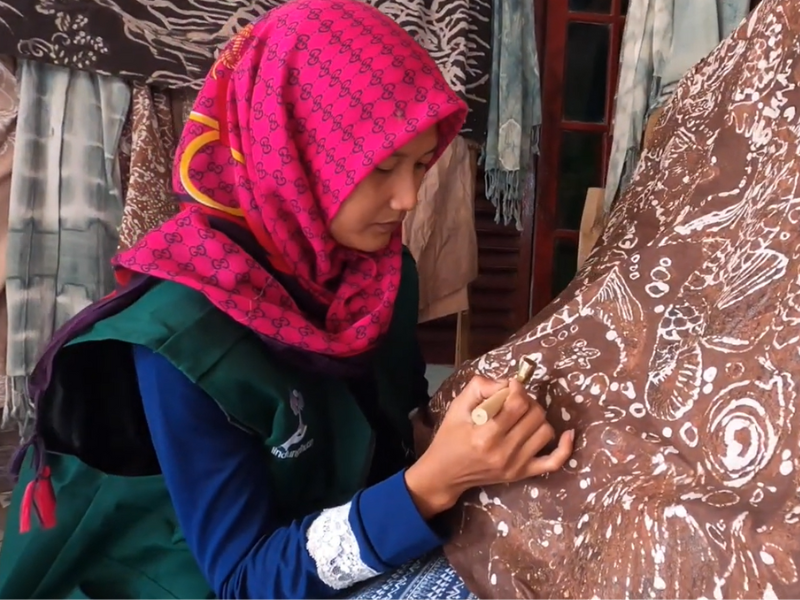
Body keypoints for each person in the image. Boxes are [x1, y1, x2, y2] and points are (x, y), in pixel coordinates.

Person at [0, 1, 574, 598]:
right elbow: (243, 580)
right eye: (381, 168)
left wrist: (466, 433)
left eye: (420, 164)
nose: (408, 198)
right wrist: (431, 483)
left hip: (325, 533)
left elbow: (389, 432)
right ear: (293, 153)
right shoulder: (181, 335)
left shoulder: (375, 276)